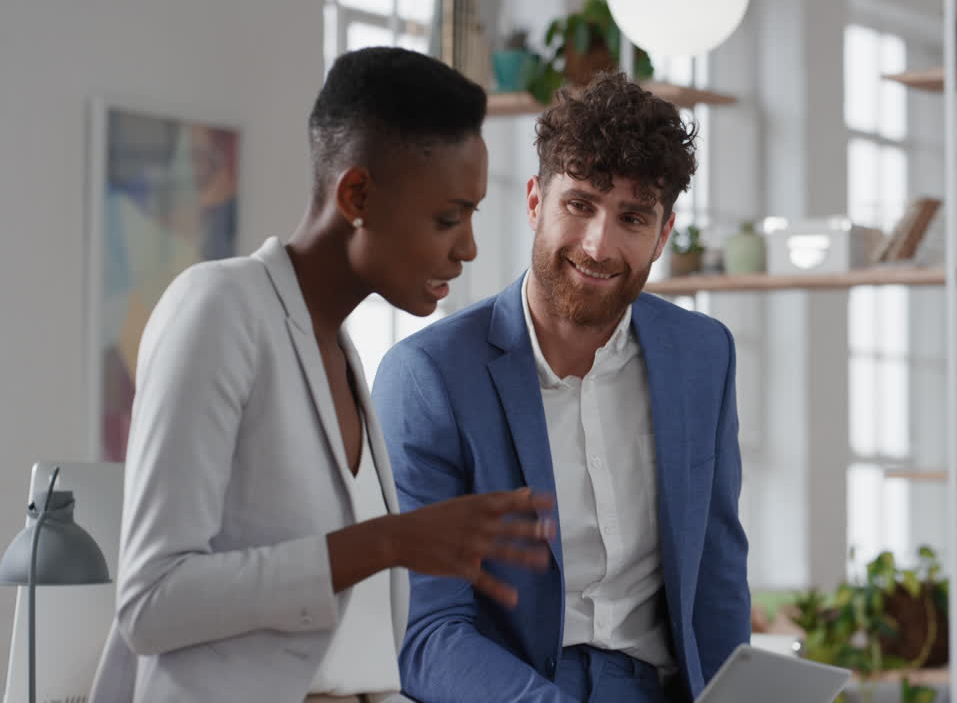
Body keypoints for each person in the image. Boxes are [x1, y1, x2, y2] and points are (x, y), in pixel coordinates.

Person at [88, 47, 555, 703]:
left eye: (473, 215)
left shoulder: (342, 353)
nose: (467, 247)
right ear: (356, 194)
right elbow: (151, 600)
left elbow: (354, 650)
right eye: (448, 218)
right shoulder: (220, 308)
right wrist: (387, 542)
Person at [373, 72, 750, 703]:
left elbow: (716, 578)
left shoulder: (702, 356)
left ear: (662, 235)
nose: (599, 245)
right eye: (579, 204)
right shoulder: (429, 377)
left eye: (632, 217)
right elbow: (426, 631)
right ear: (533, 202)